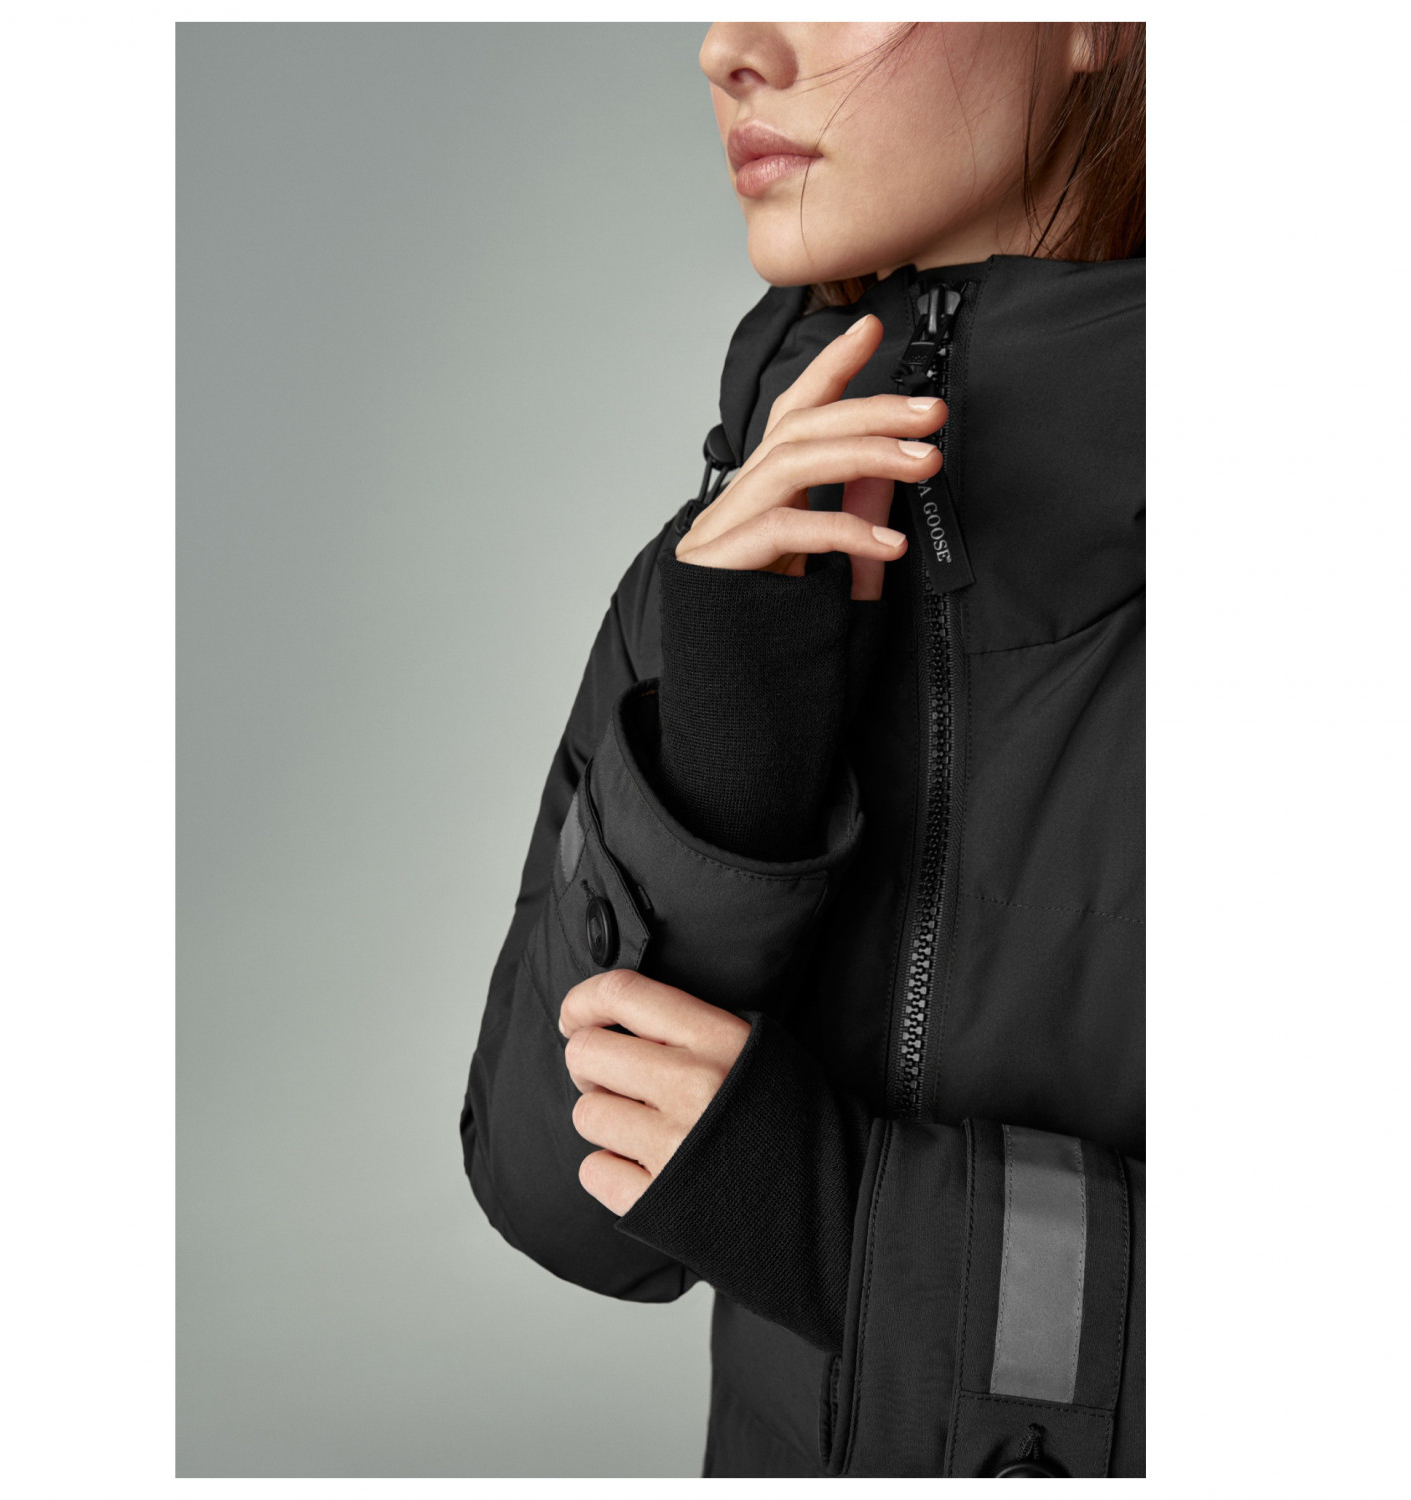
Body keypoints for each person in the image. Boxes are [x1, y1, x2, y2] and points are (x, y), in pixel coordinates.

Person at [461, 21, 1144, 1479]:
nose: (729, 47)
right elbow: (563, 1205)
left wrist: (846, 1227)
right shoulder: (731, 565)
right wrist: (728, 753)